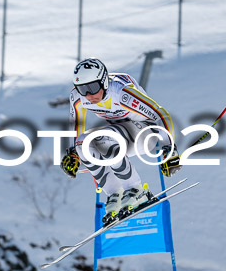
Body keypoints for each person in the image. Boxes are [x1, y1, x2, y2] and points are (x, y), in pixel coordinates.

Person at [61, 58, 180, 225]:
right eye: (82, 89)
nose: (88, 95)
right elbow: (76, 124)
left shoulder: (121, 92)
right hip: (122, 133)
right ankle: (114, 194)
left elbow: (160, 113)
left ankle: (136, 190)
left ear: (104, 81)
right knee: (82, 143)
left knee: (102, 138)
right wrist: (73, 154)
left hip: (147, 132)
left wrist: (170, 148)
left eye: (92, 88)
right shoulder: (77, 97)